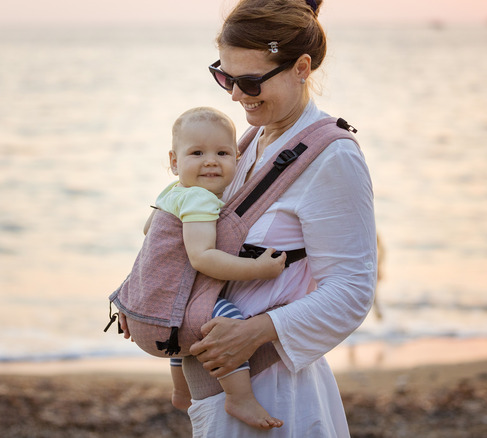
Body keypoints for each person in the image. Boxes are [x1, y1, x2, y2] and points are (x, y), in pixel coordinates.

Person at [123, 0, 378, 436]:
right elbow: (192, 231)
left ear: (301, 68)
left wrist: (257, 331)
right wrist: (143, 292)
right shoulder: (250, 139)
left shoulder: (333, 157)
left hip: (275, 390)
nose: (236, 95)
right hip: (219, 388)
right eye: (224, 76)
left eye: (250, 80)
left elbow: (353, 290)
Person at [148, 106, 286, 430]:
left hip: (163, 298)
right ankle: (239, 396)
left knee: (187, 326)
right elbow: (202, 258)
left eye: (222, 152)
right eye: (197, 152)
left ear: (237, 160)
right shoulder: (200, 200)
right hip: (176, 300)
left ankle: (182, 390)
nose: (211, 160)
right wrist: (258, 269)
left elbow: (149, 232)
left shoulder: (174, 192)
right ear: (174, 162)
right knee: (226, 317)